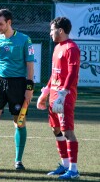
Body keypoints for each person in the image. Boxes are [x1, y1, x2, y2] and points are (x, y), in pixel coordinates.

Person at [37, 17, 80, 179]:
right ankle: (65, 165)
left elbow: (72, 73)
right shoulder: (57, 48)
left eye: (52, 30)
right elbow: (55, 73)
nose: (50, 33)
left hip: (65, 97)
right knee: (56, 129)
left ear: (60, 31)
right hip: (54, 96)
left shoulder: (71, 48)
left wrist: (63, 94)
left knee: (67, 131)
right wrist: (45, 93)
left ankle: (74, 170)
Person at [0, 8, 34, 170]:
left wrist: (29, 88)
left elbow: (30, 65)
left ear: (9, 22)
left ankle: (18, 160)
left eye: (0, 24)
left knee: (19, 122)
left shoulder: (24, 39)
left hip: (18, 84)